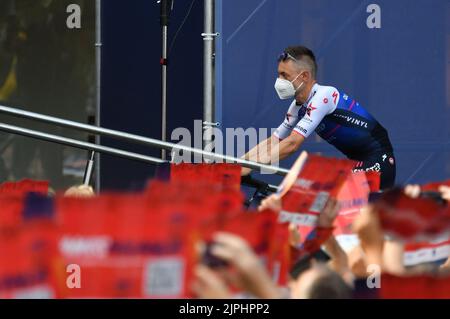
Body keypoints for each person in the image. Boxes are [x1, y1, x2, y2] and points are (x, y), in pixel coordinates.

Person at [242, 46, 396, 189]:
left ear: (304, 76)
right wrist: (237, 164)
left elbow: (292, 143)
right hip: (358, 160)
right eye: (279, 75)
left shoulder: (324, 95)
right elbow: (273, 141)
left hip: (379, 159)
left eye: (285, 75)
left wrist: (250, 166)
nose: (279, 81)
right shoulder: (297, 107)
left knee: (328, 198)